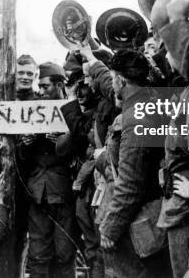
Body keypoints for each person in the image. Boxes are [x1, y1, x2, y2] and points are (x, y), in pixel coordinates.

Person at [96, 50, 167, 278]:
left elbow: (130, 183)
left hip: (140, 220)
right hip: (151, 213)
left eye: (112, 77)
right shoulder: (150, 103)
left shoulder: (136, 117)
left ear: (120, 80)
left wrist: (111, 228)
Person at [18, 62, 81, 278]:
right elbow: (23, 157)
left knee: (64, 252)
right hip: (38, 192)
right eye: (40, 86)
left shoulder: (73, 110)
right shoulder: (34, 110)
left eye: (46, 87)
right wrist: (26, 143)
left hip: (64, 190)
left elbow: (84, 145)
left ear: (59, 85)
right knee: (38, 254)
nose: (41, 91)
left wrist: (66, 140)